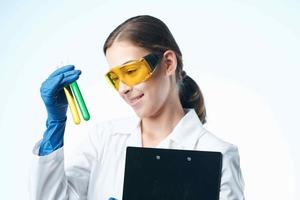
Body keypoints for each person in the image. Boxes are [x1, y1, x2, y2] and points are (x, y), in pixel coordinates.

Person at [30, 15, 245, 200]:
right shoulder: (104, 139)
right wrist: (55, 128)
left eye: (131, 71)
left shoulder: (216, 154)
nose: (123, 88)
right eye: (115, 78)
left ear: (168, 63)